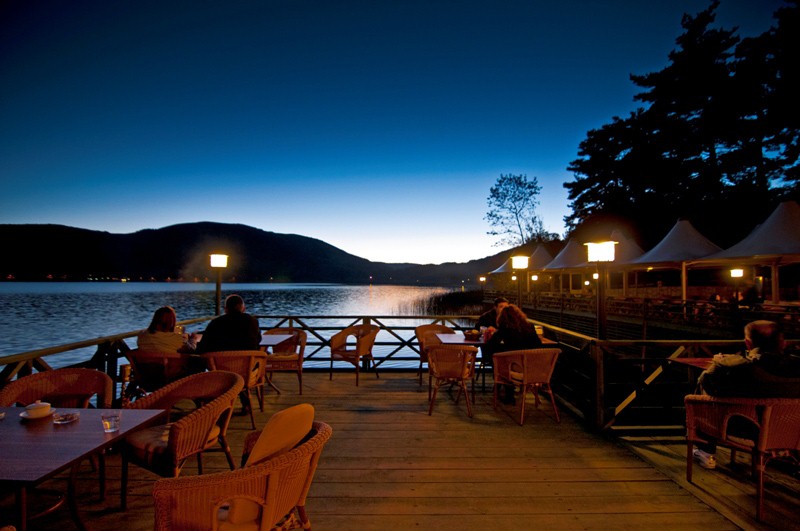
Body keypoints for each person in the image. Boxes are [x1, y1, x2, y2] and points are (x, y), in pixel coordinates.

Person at [693, 320, 800, 469]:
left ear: (748, 344)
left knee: (703, 392)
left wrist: (721, 362)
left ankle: (706, 451)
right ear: (783, 343)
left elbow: (706, 383)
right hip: (792, 430)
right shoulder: (796, 367)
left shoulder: (738, 368)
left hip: (746, 430)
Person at [481, 304, 543, 404]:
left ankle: (507, 393)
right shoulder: (530, 327)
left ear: (502, 318)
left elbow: (491, 345)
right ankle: (510, 390)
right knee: (506, 360)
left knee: (501, 361)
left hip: (514, 366)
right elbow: (538, 345)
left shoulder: (505, 328)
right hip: (530, 367)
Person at [196, 294, 261, 353]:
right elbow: (258, 340)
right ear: (244, 309)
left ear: (225, 309)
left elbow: (203, 347)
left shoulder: (215, 323)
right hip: (249, 361)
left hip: (219, 361)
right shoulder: (253, 321)